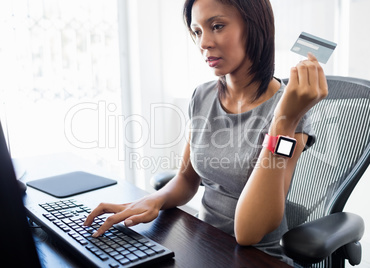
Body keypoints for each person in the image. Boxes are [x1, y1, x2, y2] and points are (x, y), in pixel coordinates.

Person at [84, 0, 328, 265]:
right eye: (198, 31)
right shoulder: (202, 95)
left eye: (217, 26)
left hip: (259, 258)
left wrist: (284, 122)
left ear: (255, 27)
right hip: (205, 244)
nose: (204, 43)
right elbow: (187, 178)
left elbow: (248, 233)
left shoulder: (292, 113)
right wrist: (153, 200)